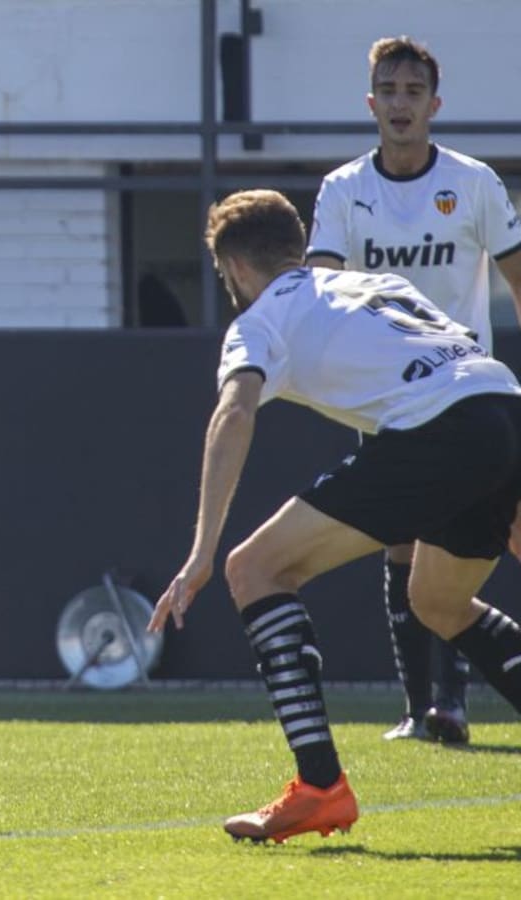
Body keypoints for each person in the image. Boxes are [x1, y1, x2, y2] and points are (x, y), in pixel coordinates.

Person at [148, 189, 521, 844]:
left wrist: (200, 552)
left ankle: (319, 787)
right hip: (502, 405)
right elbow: (457, 359)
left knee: (253, 570)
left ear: (235, 268)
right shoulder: (375, 283)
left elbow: (234, 413)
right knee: (438, 602)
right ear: (297, 246)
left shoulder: (258, 321)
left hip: (439, 429)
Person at [306, 36, 521, 744]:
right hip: (388, 398)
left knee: (457, 543)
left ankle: (449, 705)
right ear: (371, 104)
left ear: (435, 104)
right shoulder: (344, 191)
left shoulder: (474, 183)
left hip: (468, 397)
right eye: (390, 92)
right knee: (400, 542)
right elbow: (323, 291)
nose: (401, 104)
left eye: (414, 92)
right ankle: (421, 707)